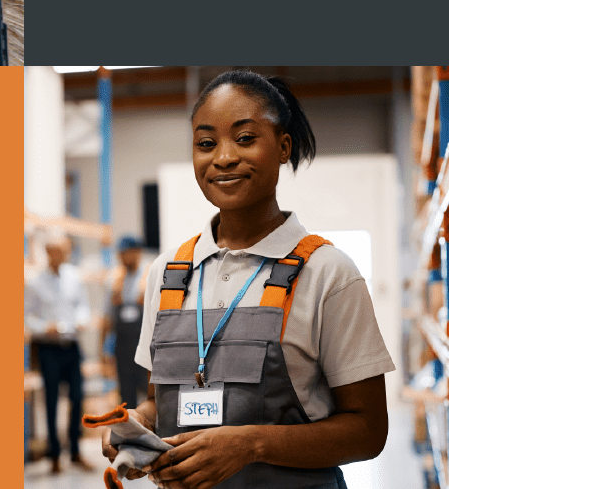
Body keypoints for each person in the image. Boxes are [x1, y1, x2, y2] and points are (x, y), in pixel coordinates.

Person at [108, 71, 393, 489]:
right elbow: (158, 402)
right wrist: (138, 426)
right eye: (206, 143)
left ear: (283, 147)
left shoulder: (328, 273)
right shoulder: (167, 274)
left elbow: (368, 430)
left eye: (244, 139)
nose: (223, 158)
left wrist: (251, 445)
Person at [25, 234, 93, 474]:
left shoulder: (74, 277)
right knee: (52, 401)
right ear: (48, 252)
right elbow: (27, 317)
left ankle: (75, 451)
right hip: (49, 348)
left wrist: (82, 320)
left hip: (71, 346)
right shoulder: (35, 282)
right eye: (58, 251)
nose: (63, 255)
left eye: (66, 250)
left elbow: (82, 306)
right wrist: (45, 327)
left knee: (77, 397)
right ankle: (54, 454)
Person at [108, 236, 151, 411]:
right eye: (120, 254)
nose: (122, 258)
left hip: (144, 342)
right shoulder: (115, 279)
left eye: (125, 253)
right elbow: (108, 318)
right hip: (123, 346)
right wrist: (106, 349)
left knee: (147, 391)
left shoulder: (150, 275)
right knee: (126, 393)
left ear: (137, 253)